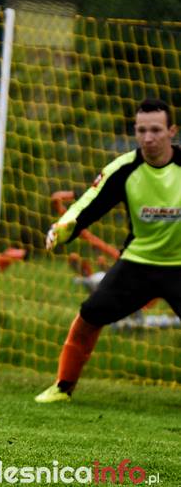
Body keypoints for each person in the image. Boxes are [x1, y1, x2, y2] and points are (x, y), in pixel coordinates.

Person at [37, 98, 181, 403]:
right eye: (141, 130)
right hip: (139, 263)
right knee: (90, 315)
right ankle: (62, 387)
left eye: (156, 130)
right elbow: (89, 205)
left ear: (172, 131)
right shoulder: (124, 168)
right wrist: (61, 229)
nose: (148, 138)